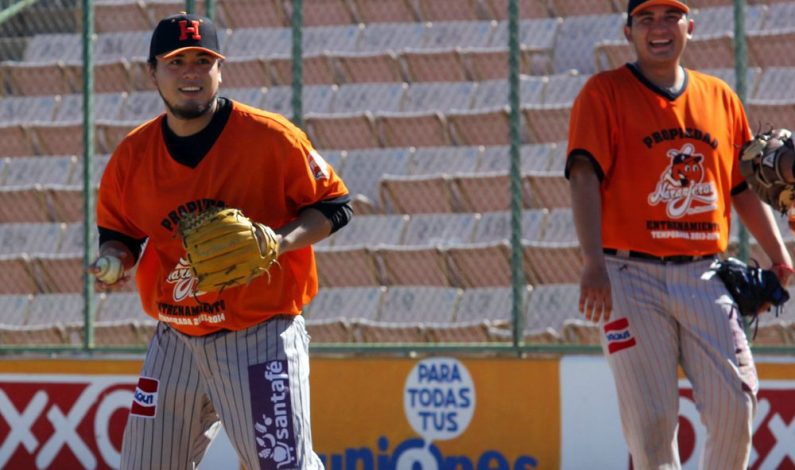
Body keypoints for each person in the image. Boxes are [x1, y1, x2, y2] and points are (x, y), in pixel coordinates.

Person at [88, 12, 351, 469]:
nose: (190, 72)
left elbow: (335, 204)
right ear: (152, 71)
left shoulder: (270, 138)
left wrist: (279, 240)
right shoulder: (133, 155)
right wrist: (113, 260)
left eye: (202, 60)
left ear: (219, 70)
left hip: (260, 334)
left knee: (281, 466)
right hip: (176, 339)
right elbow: (120, 235)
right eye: (176, 62)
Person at [566, 0, 793, 468]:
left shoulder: (720, 97)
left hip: (704, 274)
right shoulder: (603, 93)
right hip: (628, 273)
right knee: (650, 428)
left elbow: (741, 187)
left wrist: (779, 255)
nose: (659, 28)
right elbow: (583, 174)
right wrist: (592, 262)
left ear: (690, 27)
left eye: (670, 16)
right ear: (628, 32)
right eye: (645, 19)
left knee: (736, 404)